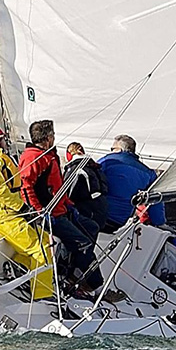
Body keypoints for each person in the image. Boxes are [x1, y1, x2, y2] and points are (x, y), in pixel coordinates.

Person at [18, 120, 109, 297]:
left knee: (92, 227)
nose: (54, 138)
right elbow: (25, 187)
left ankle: (74, 269)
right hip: (49, 214)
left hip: (62, 209)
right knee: (83, 243)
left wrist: (68, 202)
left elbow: (56, 185)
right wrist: (39, 212)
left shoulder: (49, 155)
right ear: (48, 138)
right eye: (52, 135)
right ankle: (89, 283)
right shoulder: (33, 157)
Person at [0, 125, 54, 300]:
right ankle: (42, 295)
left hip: (4, 212)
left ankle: (17, 268)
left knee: (46, 239)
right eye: (3, 139)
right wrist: (22, 208)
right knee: (42, 249)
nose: (6, 142)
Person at [98, 134, 164, 227]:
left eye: (112, 149)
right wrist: (159, 223)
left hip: (97, 216)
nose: (111, 151)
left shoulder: (106, 162)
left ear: (119, 149)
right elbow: (156, 200)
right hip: (119, 222)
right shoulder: (148, 173)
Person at [63, 142, 113, 234]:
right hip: (100, 210)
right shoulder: (95, 167)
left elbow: (67, 193)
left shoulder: (76, 169)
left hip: (86, 212)